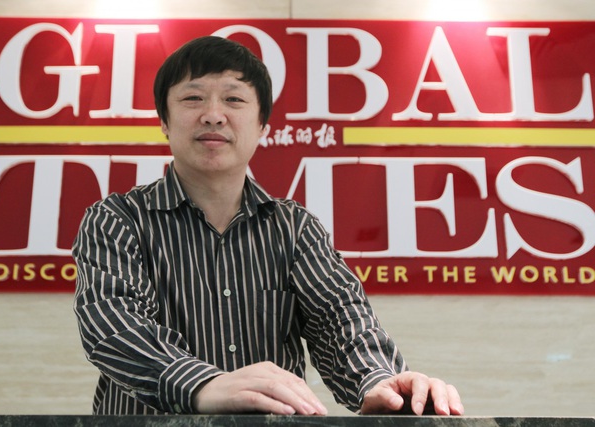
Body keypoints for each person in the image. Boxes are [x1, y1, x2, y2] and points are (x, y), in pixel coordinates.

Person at [72, 35, 464, 417]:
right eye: (193, 98)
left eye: (234, 99)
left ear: (262, 125)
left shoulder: (294, 229)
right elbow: (112, 326)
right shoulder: (116, 219)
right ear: (164, 120)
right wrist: (202, 384)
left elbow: (340, 319)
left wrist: (380, 382)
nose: (213, 114)